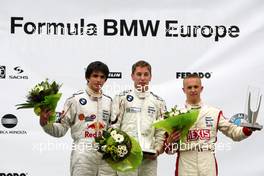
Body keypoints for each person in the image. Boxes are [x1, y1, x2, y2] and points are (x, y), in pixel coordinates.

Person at [164, 73, 255, 176]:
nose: (193, 90)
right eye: (189, 87)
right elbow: (169, 150)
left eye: (196, 87)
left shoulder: (214, 113)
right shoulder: (175, 115)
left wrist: (247, 130)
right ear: (184, 90)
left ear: (201, 88)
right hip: (186, 161)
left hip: (207, 160)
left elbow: (233, 132)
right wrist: (170, 141)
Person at [39, 61, 116, 176]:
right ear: (87, 77)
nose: (98, 80)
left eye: (102, 77)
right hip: (83, 157)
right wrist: (45, 122)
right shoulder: (74, 100)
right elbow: (60, 129)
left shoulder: (109, 102)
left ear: (105, 80)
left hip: (106, 159)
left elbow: (114, 130)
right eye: (95, 76)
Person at [111, 60, 166, 176]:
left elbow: (161, 132)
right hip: (126, 157)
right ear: (132, 76)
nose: (142, 78)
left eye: (146, 74)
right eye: (139, 74)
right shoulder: (122, 98)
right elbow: (113, 127)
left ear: (150, 77)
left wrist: (157, 150)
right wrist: (120, 147)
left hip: (148, 159)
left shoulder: (158, 102)